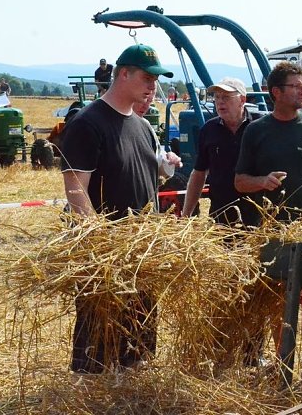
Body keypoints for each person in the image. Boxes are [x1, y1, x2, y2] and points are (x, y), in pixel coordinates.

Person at [60, 43, 173, 373]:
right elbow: (75, 190)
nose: (153, 85)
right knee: (99, 343)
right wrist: (103, 247)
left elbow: (143, 183)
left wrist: (164, 172)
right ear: (123, 74)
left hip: (142, 253)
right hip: (107, 254)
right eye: (147, 77)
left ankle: (132, 388)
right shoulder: (87, 124)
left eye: (156, 79)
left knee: (138, 342)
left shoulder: (142, 126)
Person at [235, 61, 302, 385]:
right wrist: (263, 181)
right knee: (277, 304)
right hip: (271, 233)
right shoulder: (256, 131)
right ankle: (283, 366)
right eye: (297, 86)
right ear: (276, 93)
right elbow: (240, 181)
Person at [181, 77, 256, 224]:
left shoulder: (259, 127)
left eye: (226, 97)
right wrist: (186, 214)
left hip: (257, 215)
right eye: (217, 97)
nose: (220, 102)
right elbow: (199, 173)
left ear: (242, 99)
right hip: (221, 218)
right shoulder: (209, 130)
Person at [133, 90, 182, 179]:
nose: (145, 105)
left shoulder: (146, 125)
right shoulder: (113, 125)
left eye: (149, 101)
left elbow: (158, 161)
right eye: (142, 100)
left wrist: (169, 159)